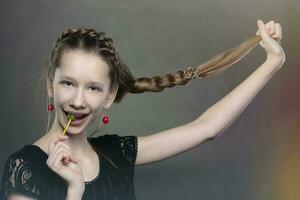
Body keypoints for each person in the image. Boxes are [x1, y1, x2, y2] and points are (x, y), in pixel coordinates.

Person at [0, 19, 285, 200]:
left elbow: (206, 128)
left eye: (93, 88)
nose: (78, 100)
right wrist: (75, 191)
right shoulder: (24, 169)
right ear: (52, 84)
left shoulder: (116, 155)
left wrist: (272, 63)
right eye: (68, 84)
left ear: (109, 96)